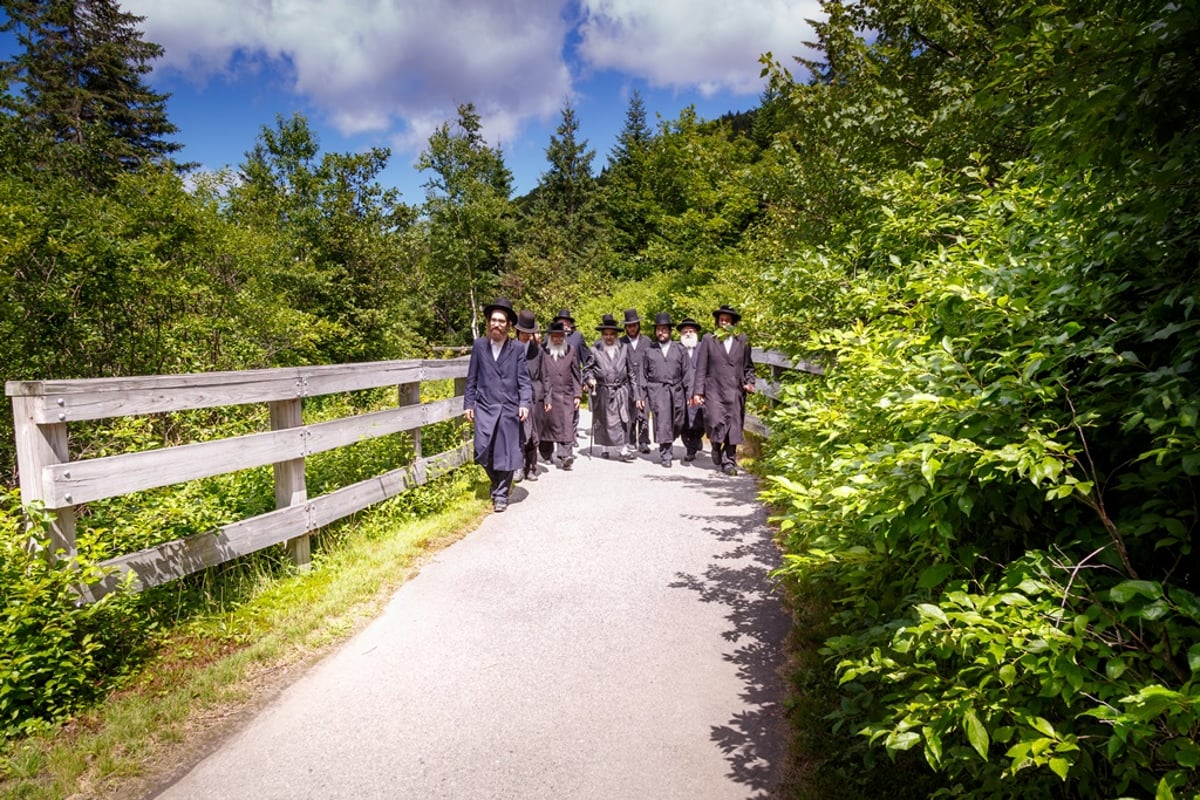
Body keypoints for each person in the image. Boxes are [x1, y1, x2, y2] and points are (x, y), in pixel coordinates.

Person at [463, 298, 532, 511]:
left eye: (501, 321)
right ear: (488, 322)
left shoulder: (517, 348)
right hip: (484, 406)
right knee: (482, 450)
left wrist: (525, 403)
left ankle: (501, 494)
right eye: (493, 320)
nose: (497, 325)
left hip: (508, 407)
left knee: (507, 452)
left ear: (509, 325)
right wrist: (468, 403)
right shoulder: (479, 346)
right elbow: (471, 377)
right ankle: (496, 482)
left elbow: (524, 379)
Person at [691, 304, 755, 476]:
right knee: (713, 421)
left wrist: (749, 382)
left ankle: (729, 461)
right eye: (722, 320)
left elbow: (748, 366)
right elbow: (701, 367)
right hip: (714, 390)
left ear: (733, 322)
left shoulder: (742, 339)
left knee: (733, 426)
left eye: (728, 320)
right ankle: (715, 445)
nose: (725, 323)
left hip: (735, 390)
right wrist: (698, 392)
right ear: (717, 322)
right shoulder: (708, 339)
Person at [584, 313, 639, 460]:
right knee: (603, 420)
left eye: (612, 334)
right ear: (602, 335)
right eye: (606, 334)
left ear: (616, 335)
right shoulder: (595, 351)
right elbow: (587, 369)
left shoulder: (624, 349)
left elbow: (631, 373)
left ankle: (623, 450)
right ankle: (605, 447)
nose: (609, 337)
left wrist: (636, 394)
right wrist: (590, 379)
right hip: (602, 390)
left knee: (621, 420)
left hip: (620, 390)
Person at [640, 312, 691, 468]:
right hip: (657, 390)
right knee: (663, 422)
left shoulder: (680, 349)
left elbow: (687, 372)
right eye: (658, 330)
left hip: (677, 390)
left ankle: (671, 437)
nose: (660, 332)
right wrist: (640, 396)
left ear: (670, 331)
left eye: (664, 329)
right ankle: (666, 454)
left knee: (679, 420)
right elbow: (643, 375)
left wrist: (689, 393)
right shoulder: (649, 351)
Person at [538, 320, 583, 469]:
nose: (557, 340)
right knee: (547, 426)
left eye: (560, 337)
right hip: (548, 395)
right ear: (550, 337)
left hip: (566, 394)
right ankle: (546, 454)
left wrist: (577, 394)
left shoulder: (571, 350)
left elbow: (576, 373)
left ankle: (565, 456)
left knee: (567, 425)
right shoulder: (542, 350)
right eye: (554, 337)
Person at [514, 309, 548, 483]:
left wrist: (547, 397)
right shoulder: (510, 347)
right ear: (518, 331)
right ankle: (518, 466)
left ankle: (531, 467)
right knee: (518, 432)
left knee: (534, 433)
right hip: (516, 395)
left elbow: (545, 374)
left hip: (535, 395)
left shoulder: (538, 351)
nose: (526, 336)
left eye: (529, 333)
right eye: (523, 333)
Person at [551, 308, 588, 444]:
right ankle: (557, 434)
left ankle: (571, 436)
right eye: (562, 322)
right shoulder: (549, 338)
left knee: (573, 408)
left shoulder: (577, 337)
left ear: (571, 324)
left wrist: (587, 377)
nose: (564, 324)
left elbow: (586, 358)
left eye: (567, 322)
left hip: (573, 377)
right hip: (554, 378)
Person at [619, 308, 651, 453]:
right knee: (629, 412)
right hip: (627, 383)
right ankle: (630, 439)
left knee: (644, 411)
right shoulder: (621, 343)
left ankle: (644, 440)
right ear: (625, 327)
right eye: (629, 326)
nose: (632, 328)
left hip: (644, 381)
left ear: (638, 325)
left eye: (634, 325)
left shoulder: (648, 341)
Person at [677, 317, 706, 462]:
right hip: (680, 391)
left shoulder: (703, 348)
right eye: (685, 331)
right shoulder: (676, 348)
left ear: (696, 333)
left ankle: (696, 439)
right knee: (683, 422)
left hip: (699, 389)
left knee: (700, 421)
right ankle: (690, 448)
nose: (688, 334)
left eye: (691, 331)